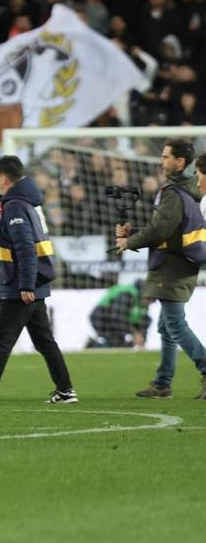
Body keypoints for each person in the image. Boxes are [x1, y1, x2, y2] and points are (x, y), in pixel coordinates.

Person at [0, 155, 77, 405]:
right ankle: (65, 390)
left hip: (21, 284)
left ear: (5, 178)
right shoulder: (24, 203)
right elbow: (6, 235)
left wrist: (25, 285)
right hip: (33, 282)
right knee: (44, 341)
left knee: (3, 340)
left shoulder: (15, 206)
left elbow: (24, 247)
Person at [117, 139, 206, 398]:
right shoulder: (191, 189)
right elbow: (170, 228)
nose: (162, 160)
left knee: (174, 324)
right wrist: (135, 232)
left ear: (180, 162)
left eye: (166, 157)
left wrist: (129, 241)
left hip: (170, 265)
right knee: (166, 326)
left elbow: (160, 230)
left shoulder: (174, 193)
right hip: (183, 261)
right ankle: (162, 382)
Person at [88, 281, 150, 349]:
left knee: (121, 344)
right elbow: (118, 317)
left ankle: (92, 344)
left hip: (113, 320)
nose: (149, 302)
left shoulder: (142, 304)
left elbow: (143, 321)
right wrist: (134, 332)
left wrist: (141, 337)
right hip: (101, 317)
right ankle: (92, 345)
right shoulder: (127, 295)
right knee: (116, 344)